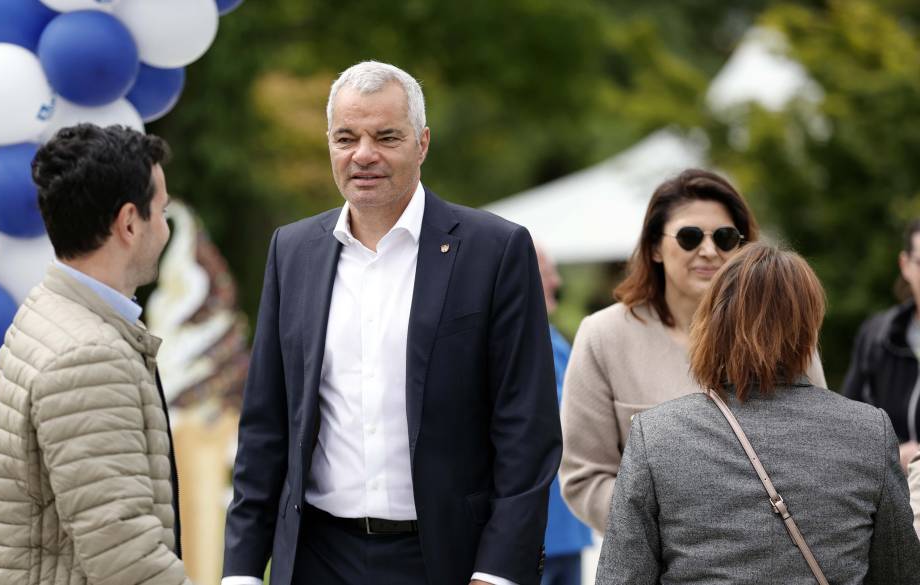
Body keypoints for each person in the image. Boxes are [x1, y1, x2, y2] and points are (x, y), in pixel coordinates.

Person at [221, 61, 561, 585]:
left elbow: (526, 427)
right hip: (317, 558)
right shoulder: (292, 251)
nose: (363, 154)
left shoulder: (495, 250)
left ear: (422, 143)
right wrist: (241, 571)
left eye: (386, 137)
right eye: (346, 138)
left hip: (444, 561)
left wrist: (497, 572)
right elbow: (266, 423)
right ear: (329, 144)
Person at [595, 242, 920, 584]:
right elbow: (901, 574)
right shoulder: (869, 432)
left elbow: (621, 576)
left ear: (711, 325)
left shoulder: (656, 436)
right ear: (809, 328)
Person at [0, 124, 191, 585]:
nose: (165, 228)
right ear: (129, 223)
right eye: (161, 212)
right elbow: (125, 558)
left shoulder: (50, 309)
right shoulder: (90, 357)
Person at [558, 169, 827, 533]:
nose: (709, 251)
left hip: (770, 548)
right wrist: (674, 532)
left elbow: (819, 445)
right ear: (654, 247)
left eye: (725, 237)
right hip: (655, 554)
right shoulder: (604, 335)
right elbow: (584, 477)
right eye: (689, 237)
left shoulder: (783, 331)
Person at [535, 244, 593, 585]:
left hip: (566, 524)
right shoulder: (513, 340)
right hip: (537, 528)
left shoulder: (553, 336)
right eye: (547, 273)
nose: (557, 281)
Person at [844, 219, 920, 470]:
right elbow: (848, 427)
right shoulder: (877, 336)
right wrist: (893, 455)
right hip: (888, 487)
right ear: (905, 265)